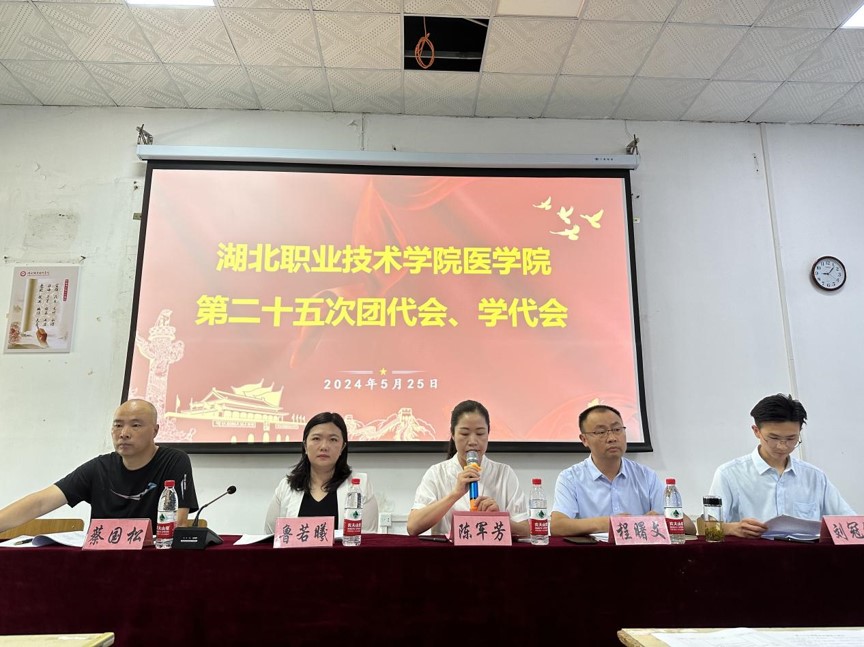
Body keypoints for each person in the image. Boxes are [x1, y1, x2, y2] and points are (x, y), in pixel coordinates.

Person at [0, 399, 198, 534]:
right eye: (118, 425)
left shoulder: (173, 461)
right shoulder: (100, 467)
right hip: (102, 562)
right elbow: (41, 502)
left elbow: (178, 524)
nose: (124, 433)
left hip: (152, 562)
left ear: (155, 431)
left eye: (135, 425)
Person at [709, 393, 854, 538]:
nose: (782, 446)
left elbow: (851, 523)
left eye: (791, 439)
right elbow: (707, 527)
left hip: (805, 551)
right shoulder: (729, 474)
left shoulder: (814, 477)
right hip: (752, 551)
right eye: (774, 438)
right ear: (756, 431)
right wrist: (731, 528)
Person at [551, 404, 695, 537]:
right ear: (584, 440)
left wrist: (658, 522)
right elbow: (557, 526)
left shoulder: (646, 476)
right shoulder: (570, 478)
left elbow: (688, 526)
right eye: (601, 432)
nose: (612, 438)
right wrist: (610, 523)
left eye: (617, 429)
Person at [407, 400, 529, 537]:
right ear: (453, 434)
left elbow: (526, 531)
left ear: (488, 433)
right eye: (465, 434)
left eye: (480, 433)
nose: (472, 442)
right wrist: (455, 494)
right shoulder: (437, 473)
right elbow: (413, 527)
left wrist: (498, 519)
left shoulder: (504, 473)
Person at [264, 411, 378, 534]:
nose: (324, 446)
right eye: (316, 438)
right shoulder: (286, 487)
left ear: (342, 447)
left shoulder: (360, 485)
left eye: (333, 439)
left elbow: (369, 538)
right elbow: (270, 537)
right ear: (305, 446)